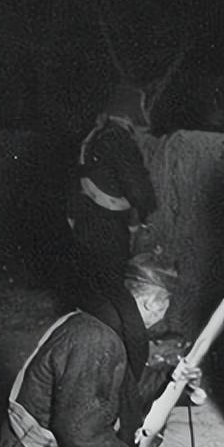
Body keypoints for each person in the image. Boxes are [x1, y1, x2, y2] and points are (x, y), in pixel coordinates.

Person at [0, 255, 197, 447]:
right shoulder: (96, 337)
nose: (165, 312)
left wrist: (174, 380)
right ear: (153, 304)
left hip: (53, 441)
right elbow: (79, 429)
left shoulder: (105, 320)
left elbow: (122, 392)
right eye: (166, 304)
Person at [66, 84, 158, 303]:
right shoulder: (118, 139)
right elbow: (136, 187)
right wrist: (148, 211)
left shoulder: (94, 136)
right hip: (108, 226)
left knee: (92, 289)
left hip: (84, 220)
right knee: (115, 291)